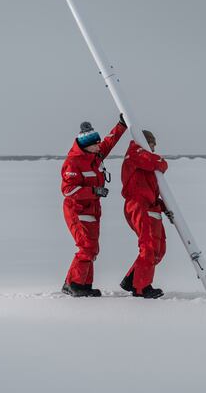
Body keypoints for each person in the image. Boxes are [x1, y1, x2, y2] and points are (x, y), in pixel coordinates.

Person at [60, 115, 127, 297]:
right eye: (95, 144)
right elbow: (68, 190)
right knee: (86, 247)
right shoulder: (73, 162)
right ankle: (73, 284)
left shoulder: (95, 154)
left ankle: (83, 285)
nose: (99, 146)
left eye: (98, 144)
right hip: (76, 210)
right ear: (86, 145)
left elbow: (109, 142)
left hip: (92, 211)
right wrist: (94, 191)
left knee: (92, 249)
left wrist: (121, 125)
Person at [119, 130, 170, 299]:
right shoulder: (135, 153)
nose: (154, 148)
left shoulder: (144, 159)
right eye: (152, 144)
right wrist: (161, 162)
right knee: (148, 246)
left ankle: (131, 279)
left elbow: (151, 180)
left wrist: (161, 205)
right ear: (145, 142)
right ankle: (141, 288)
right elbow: (158, 163)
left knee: (158, 250)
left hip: (150, 206)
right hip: (137, 205)